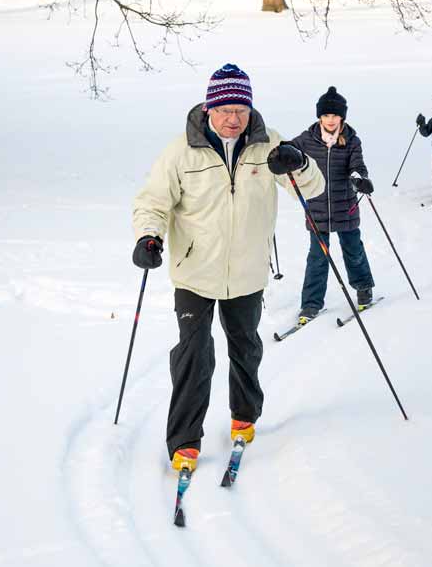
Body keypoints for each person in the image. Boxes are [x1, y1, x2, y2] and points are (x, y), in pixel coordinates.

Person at [131, 64, 325, 473]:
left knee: (245, 348)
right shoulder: (181, 151)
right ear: (208, 108)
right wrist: (149, 237)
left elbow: (313, 189)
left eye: (240, 109)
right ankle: (184, 440)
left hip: (247, 272)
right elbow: (153, 201)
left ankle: (244, 415)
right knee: (193, 354)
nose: (233, 118)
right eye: (225, 110)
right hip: (194, 272)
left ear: (250, 109)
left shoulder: (267, 144)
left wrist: (300, 164)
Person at [292, 86, 376, 322]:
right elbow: (290, 149)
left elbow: (357, 164)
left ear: (342, 117)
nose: (330, 120)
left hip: (345, 206)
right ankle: (310, 304)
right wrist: (281, 155)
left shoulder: (350, 140)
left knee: (353, 250)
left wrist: (360, 179)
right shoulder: (307, 139)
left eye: (335, 115)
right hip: (316, 208)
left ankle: (363, 288)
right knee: (317, 258)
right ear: (319, 116)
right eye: (326, 115)